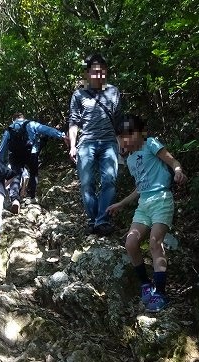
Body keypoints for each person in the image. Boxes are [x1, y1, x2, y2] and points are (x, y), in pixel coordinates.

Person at [107, 115, 188, 312]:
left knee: (155, 242)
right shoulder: (131, 159)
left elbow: (171, 160)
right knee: (131, 242)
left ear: (141, 133)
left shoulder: (150, 144)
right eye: (122, 136)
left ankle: (160, 293)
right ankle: (145, 284)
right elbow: (140, 188)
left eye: (130, 134)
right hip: (143, 204)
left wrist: (178, 171)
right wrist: (122, 203)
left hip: (161, 200)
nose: (126, 140)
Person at [68, 53, 122, 237]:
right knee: (87, 183)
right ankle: (93, 220)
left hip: (109, 142)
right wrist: (72, 146)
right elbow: (74, 122)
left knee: (109, 181)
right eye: (95, 72)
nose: (99, 75)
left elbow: (118, 119)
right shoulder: (79, 94)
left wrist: (122, 142)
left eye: (102, 72)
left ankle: (101, 220)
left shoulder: (113, 91)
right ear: (87, 73)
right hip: (86, 143)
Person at [0, 113, 66, 214]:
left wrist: (0, 161)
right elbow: (46, 129)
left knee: (15, 175)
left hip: (15, 155)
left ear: (14, 120)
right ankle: (31, 197)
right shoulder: (31, 124)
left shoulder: (9, 129)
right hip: (31, 152)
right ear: (23, 118)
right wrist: (62, 135)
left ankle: (15, 199)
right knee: (33, 173)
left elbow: (3, 146)